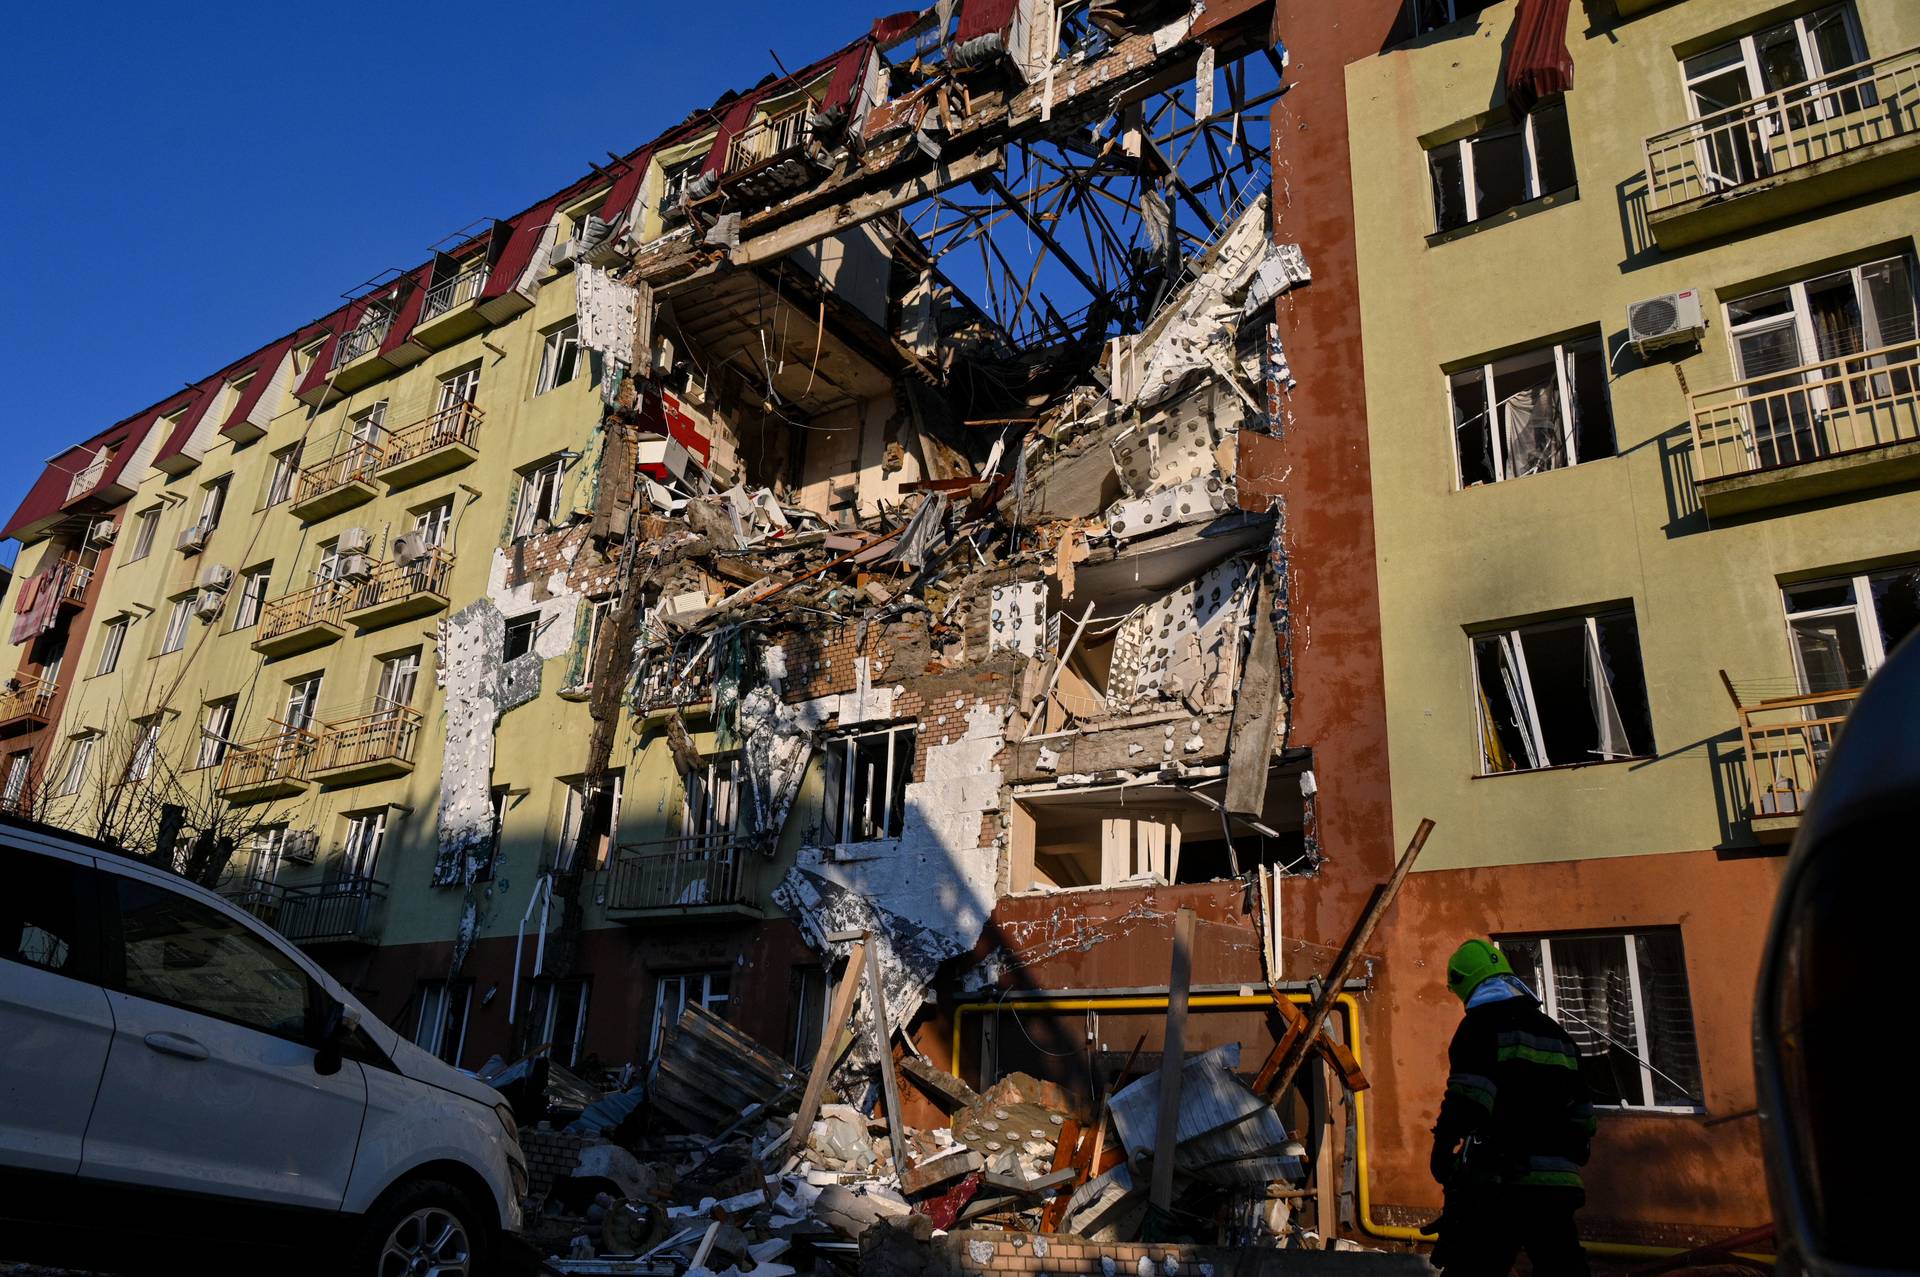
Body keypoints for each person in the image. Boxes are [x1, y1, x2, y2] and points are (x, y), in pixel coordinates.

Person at [1428, 938, 1596, 1277]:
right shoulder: (1558, 1034)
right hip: (1559, 1188)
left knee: (1474, 1266)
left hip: (1505, 1183)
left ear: (1464, 984)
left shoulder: (1480, 1027)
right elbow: (1584, 1118)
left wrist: (1443, 1147)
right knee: (1563, 1268)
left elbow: (1469, 1100)